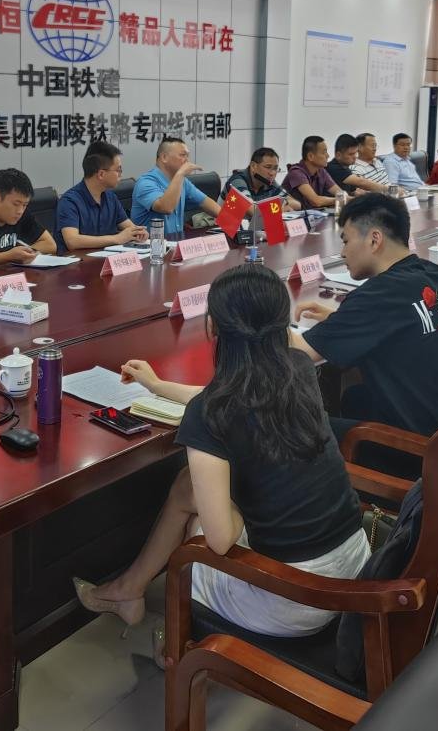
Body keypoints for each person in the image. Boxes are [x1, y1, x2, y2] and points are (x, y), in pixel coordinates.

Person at [74, 264, 371, 639]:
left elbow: (220, 539)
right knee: (188, 486)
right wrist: (157, 386)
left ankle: (178, 645)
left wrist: (235, 496)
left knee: (198, 528)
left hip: (294, 599)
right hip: (354, 566)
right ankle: (128, 591)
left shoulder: (210, 414)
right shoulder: (297, 368)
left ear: (212, 326)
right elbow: (228, 398)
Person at [290, 194, 438, 449]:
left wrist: (261, 316)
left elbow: (299, 352)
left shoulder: (380, 294)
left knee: (297, 427)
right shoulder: (437, 274)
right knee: (355, 397)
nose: (342, 252)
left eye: (346, 241)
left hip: (425, 451)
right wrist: (338, 320)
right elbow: (409, 322)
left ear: (374, 239)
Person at [57, 142, 147, 252]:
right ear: (101, 174)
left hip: (106, 259)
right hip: (78, 261)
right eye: (118, 170)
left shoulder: (111, 197)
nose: (121, 174)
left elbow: (129, 228)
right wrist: (117, 238)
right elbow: (72, 241)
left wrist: (139, 233)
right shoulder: (69, 201)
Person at [130, 136, 221, 233]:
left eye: (187, 156)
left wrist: (231, 221)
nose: (187, 160)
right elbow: (166, 208)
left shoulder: (183, 181)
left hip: (177, 240)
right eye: (182, 155)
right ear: (164, 157)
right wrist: (180, 173)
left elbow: (205, 202)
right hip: (152, 242)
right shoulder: (145, 183)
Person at [224, 147, 301, 211]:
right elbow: (253, 210)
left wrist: (282, 204)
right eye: (268, 167)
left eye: (275, 168)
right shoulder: (238, 180)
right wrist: (279, 208)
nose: (272, 173)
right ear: (253, 166)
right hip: (225, 224)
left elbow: (297, 204)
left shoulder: (269, 182)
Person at [282, 135, 348, 210]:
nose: (328, 156)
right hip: (293, 216)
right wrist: (339, 199)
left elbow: (340, 193)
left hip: (312, 215)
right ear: (310, 156)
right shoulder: (296, 172)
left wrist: (354, 200)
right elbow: (316, 201)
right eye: (324, 152)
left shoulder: (321, 171)